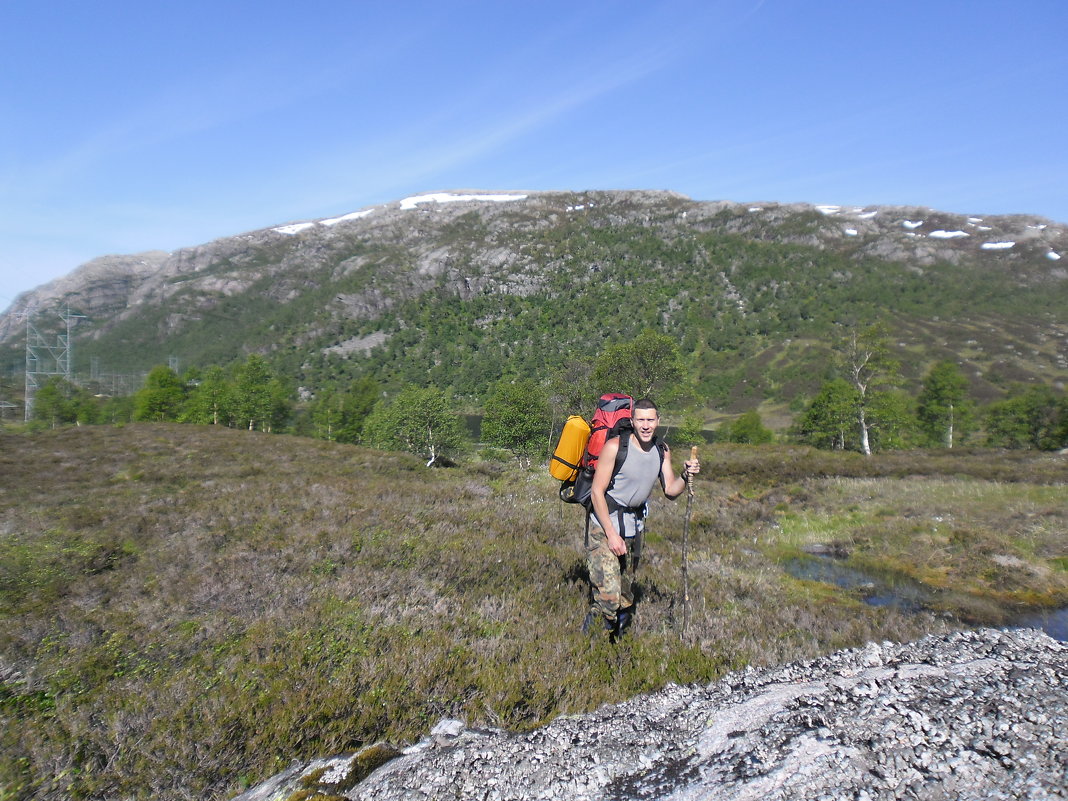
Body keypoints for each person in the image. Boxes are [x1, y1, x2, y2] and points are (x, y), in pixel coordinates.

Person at [583, 397, 700, 640]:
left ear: (658, 421)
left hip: (632, 530)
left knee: (624, 596)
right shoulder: (615, 447)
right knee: (609, 596)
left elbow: (670, 490)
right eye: (641, 420)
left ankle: (617, 645)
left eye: (650, 420)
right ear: (632, 421)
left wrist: (685, 474)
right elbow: (597, 492)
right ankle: (588, 649)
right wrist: (611, 534)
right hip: (604, 529)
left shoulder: (661, 450)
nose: (646, 425)